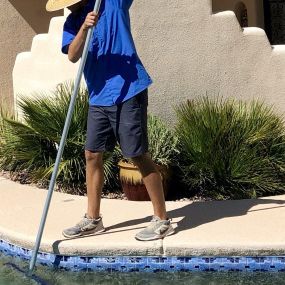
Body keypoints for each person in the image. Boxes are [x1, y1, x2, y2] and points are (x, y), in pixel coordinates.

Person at [46, 0, 175, 241]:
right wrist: (84, 28)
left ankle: (162, 220)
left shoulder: (112, 3)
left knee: (137, 154)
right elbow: (73, 56)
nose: (68, 7)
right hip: (98, 96)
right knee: (92, 154)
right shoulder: (73, 21)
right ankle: (93, 219)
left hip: (128, 91)